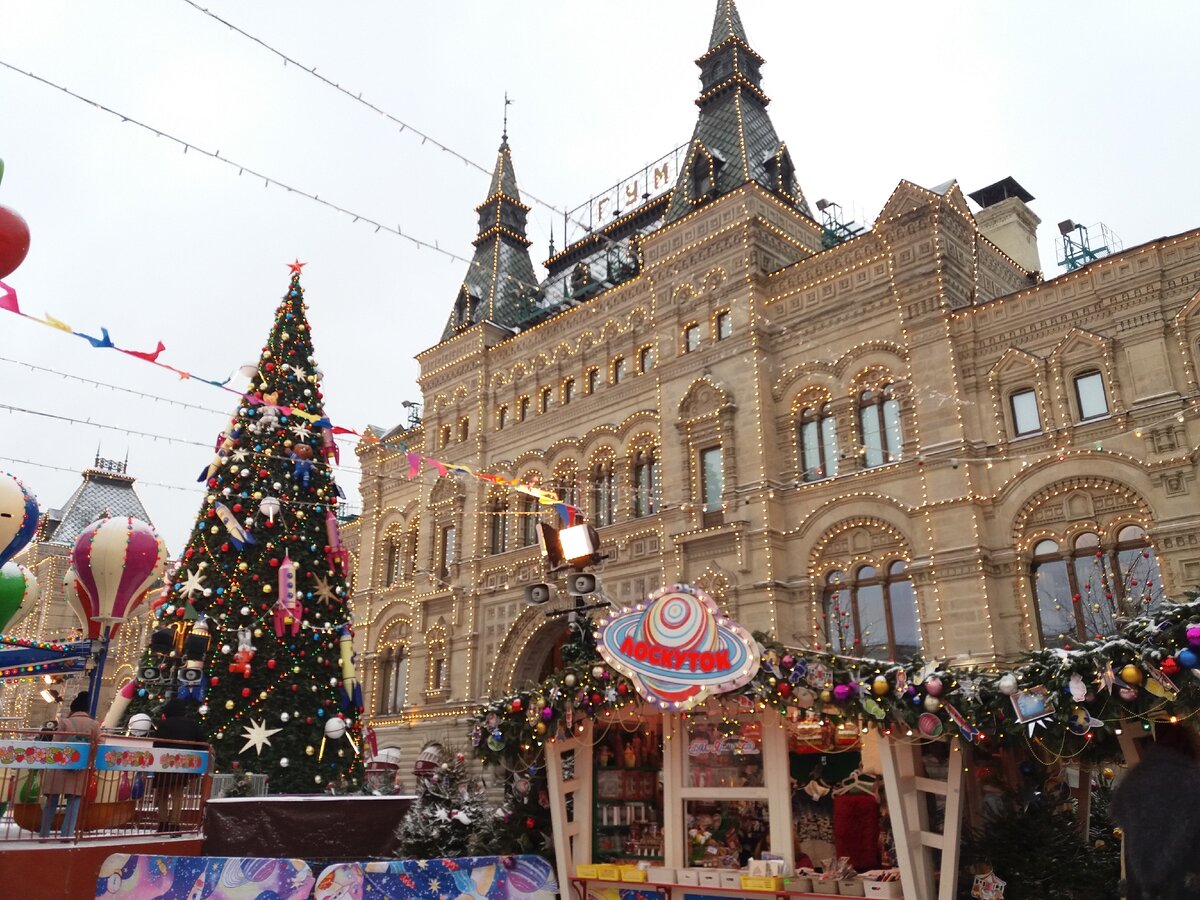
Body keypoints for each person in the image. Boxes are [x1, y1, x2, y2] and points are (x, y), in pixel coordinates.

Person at [39, 691, 100, 839]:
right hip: (78, 767)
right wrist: (89, 761)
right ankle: (67, 834)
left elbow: (56, 743)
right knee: (74, 803)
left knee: (51, 801)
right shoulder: (94, 724)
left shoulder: (65, 723)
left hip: (60, 766)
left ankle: (44, 834)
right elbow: (97, 745)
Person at [151, 698, 205, 833]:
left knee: (162, 794)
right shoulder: (191, 724)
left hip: (164, 763)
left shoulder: (164, 724)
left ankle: (162, 823)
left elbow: (157, 743)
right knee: (177, 795)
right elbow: (202, 742)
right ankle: (175, 824)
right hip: (183, 764)